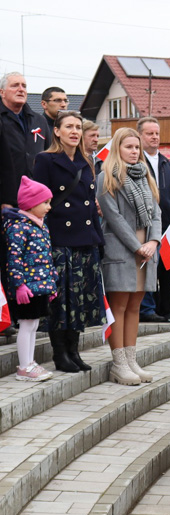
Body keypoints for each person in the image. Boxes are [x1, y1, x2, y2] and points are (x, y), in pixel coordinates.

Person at [32, 111, 104, 373]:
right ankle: (60, 353)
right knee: (61, 301)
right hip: (59, 240)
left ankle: (74, 351)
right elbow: (38, 204)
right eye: (69, 127)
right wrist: (43, 240)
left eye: (78, 127)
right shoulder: (45, 160)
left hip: (85, 241)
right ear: (57, 131)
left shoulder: (87, 162)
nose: (75, 131)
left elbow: (90, 206)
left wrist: (99, 240)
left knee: (80, 300)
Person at [98, 128, 163, 386]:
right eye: (129, 147)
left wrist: (154, 241)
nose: (135, 152)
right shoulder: (106, 177)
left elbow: (156, 213)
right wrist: (138, 246)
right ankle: (119, 363)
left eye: (137, 147)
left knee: (135, 306)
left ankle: (131, 359)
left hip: (146, 250)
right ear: (117, 149)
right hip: (122, 249)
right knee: (119, 307)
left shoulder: (146, 176)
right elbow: (113, 218)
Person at [0, 72, 50, 336]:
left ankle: (27, 316)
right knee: (7, 261)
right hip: (7, 206)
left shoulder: (37, 120)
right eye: (15, 85)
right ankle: (5, 318)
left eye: (24, 85)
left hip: (36, 208)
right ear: (2, 92)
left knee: (32, 262)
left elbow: (49, 157)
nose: (21, 89)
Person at [3, 177, 56, 381]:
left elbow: (46, 258)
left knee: (33, 324)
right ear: (31, 203)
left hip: (39, 286)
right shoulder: (19, 226)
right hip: (27, 287)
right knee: (26, 324)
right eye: (45, 202)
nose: (49, 207)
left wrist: (51, 284)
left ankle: (30, 362)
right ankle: (24, 367)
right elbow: (13, 258)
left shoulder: (39, 225)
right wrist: (19, 285)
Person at [137, 117, 170, 324]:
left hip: (167, 226)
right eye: (149, 133)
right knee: (148, 268)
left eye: (157, 133)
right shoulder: (137, 161)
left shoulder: (165, 161)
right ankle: (147, 310)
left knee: (167, 270)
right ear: (140, 136)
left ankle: (165, 312)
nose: (154, 137)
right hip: (145, 227)